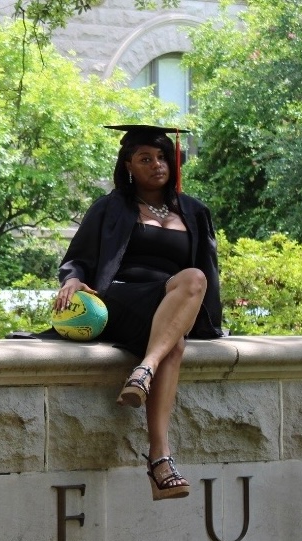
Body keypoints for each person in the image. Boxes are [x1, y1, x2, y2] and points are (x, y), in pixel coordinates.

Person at [53, 124, 223, 501]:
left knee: (181, 322)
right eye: (145, 158)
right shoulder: (110, 207)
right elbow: (78, 258)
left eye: (162, 157)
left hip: (169, 302)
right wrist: (72, 280)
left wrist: (206, 320)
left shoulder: (194, 211)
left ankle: (157, 445)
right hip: (120, 297)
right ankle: (158, 445)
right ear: (128, 165)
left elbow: (207, 272)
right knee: (176, 331)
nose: (157, 164)